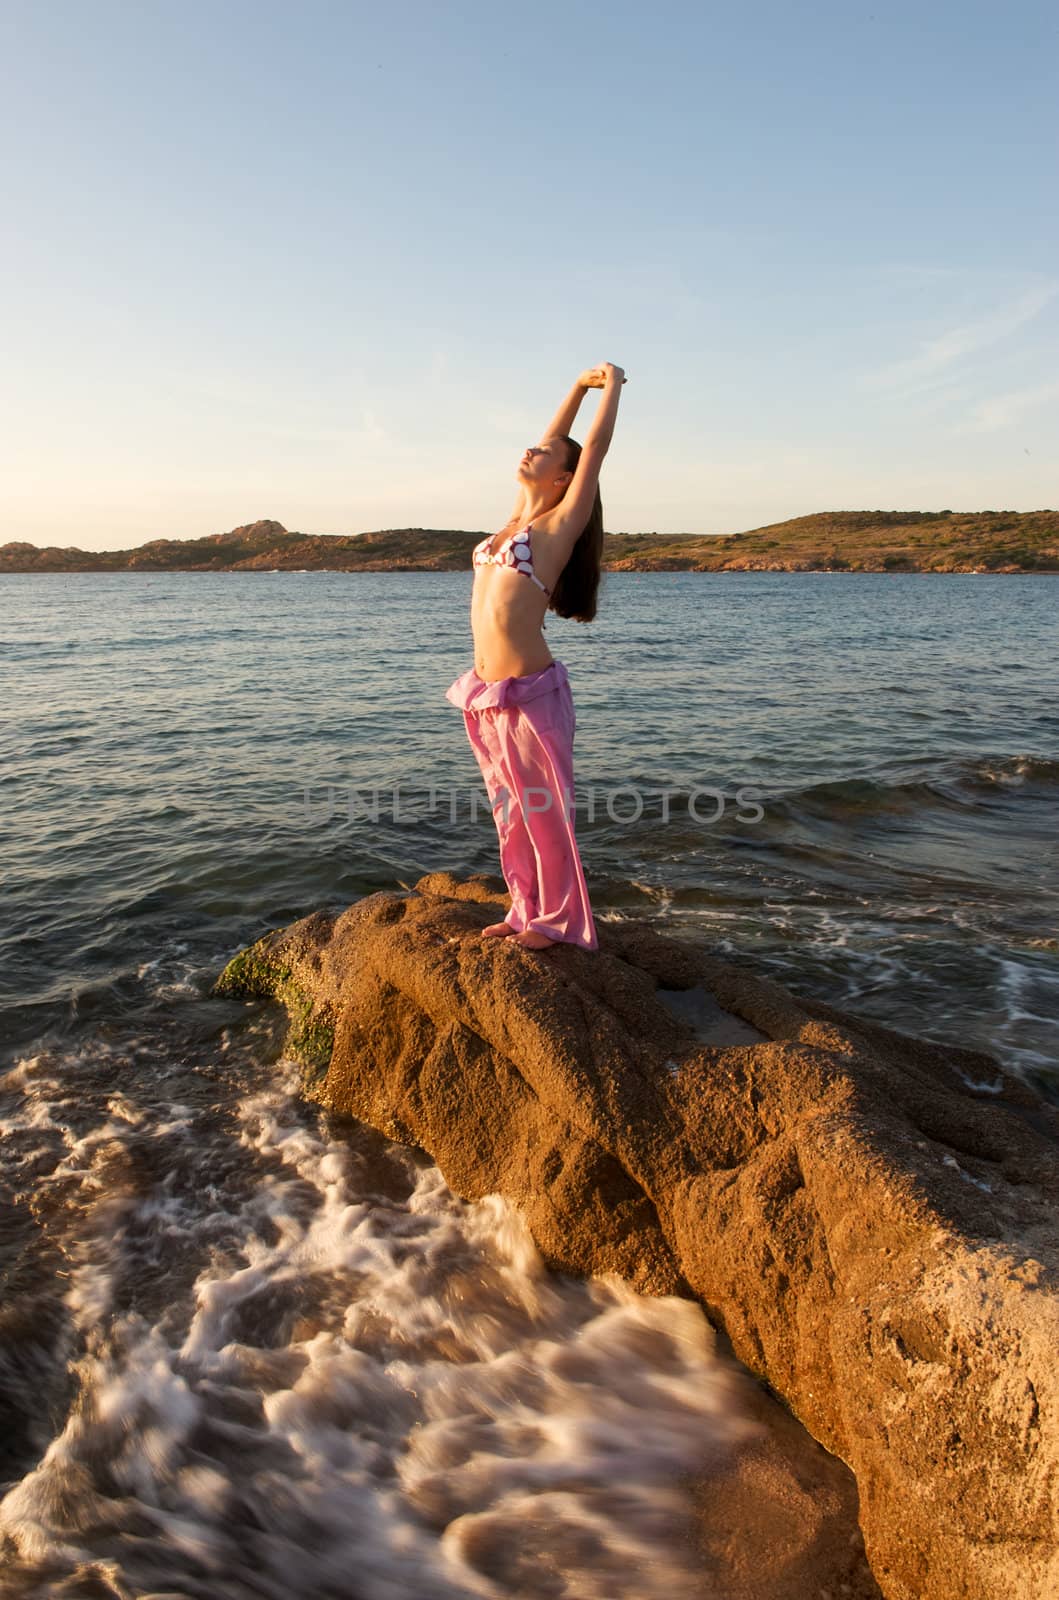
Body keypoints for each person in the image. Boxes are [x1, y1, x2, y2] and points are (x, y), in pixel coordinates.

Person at [445, 361, 626, 950]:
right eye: (533, 445)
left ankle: (560, 922)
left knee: (545, 812)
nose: (531, 450)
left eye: (545, 452)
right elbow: (561, 440)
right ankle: (524, 908)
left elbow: (593, 446)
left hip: (530, 692)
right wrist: (573, 387)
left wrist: (610, 386)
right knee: (509, 810)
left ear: (566, 478)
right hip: (485, 693)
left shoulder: (557, 525)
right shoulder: (511, 522)